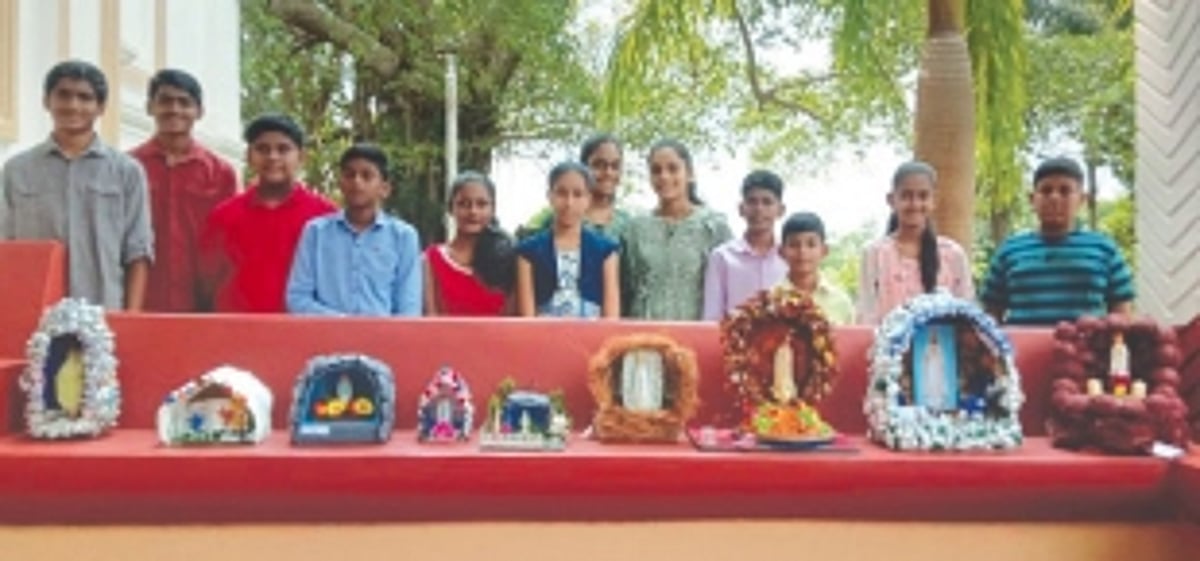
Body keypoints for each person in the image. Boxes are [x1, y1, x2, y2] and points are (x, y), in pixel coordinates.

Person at [0, 60, 153, 310]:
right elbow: (5, 247)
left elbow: (138, 251)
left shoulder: (127, 172)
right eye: (63, 95)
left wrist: (131, 317)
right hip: (35, 311)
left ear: (100, 107)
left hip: (103, 312)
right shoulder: (17, 170)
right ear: (46, 101)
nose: (73, 105)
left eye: (85, 97)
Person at [200, 113, 336, 313]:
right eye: (263, 149)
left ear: (301, 156)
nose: (273, 157)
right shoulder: (223, 216)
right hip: (236, 334)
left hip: (302, 334)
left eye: (283, 149)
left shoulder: (326, 217)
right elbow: (207, 283)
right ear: (248, 156)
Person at [130, 69, 238, 312]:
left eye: (184, 102)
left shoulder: (220, 173)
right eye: (165, 101)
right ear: (150, 107)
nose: (174, 109)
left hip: (201, 300)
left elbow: (229, 244)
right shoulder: (128, 168)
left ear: (199, 112)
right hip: (144, 298)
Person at [980, 157, 1135, 325]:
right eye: (1046, 191)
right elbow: (991, 314)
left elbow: (1121, 315)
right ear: (1032, 199)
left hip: (1084, 349)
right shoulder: (1009, 251)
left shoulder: (1104, 250)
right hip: (1022, 349)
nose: (1054, 198)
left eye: (1065, 191)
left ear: (1082, 199)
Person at [286, 143, 421, 316]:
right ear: (340, 183)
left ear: (384, 188)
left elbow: (409, 307)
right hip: (325, 339)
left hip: (384, 340)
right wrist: (346, 326)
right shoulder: (315, 232)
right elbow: (298, 298)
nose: (357, 181)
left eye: (367, 176)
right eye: (350, 175)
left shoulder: (404, 236)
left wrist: (379, 335)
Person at [621, 139, 732, 320]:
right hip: (645, 336)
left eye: (673, 168)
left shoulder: (713, 227)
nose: (664, 176)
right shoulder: (635, 230)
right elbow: (626, 290)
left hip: (695, 337)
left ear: (689, 174)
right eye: (656, 170)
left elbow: (726, 289)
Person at [855, 161, 974, 324]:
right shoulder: (875, 254)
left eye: (923, 196)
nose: (915, 204)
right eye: (906, 196)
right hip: (887, 347)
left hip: (943, 347)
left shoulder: (953, 254)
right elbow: (866, 314)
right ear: (891, 200)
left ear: (934, 200)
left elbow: (967, 312)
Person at [515, 162, 620, 318]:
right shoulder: (528, 252)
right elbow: (527, 318)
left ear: (588, 199)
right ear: (550, 196)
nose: (569, 203)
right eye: (561, 193)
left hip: (592, 338)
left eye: (577, 194)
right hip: (544, 337)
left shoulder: (606, 251)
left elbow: (611, 317)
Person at [423, 171, 514, 316]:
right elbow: (430, 319)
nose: (473, 211)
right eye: (464, 204)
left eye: (482, 204)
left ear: (493, 209)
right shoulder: (431, 259)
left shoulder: (508, 259)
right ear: (450, 208)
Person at [702, 169, 789, 320]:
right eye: (752, 201)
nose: (759, 209)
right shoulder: (722, 257)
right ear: (741, 209)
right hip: (732, 341)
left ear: (780, 210)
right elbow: (712, 316)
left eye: (767, 202)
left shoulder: (789, 257)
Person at [519, 133, 631, 242]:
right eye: (599, 165)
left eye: (615, 166)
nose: (608, 173)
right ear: (584, 167)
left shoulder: (629, 225)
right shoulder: (559, 219)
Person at [775, 212, 854, 325]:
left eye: (811, 244)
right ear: (781, 252)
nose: (802, 251)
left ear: (824, 250)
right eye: (794, 244)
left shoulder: (841, 302)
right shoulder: (770, 302)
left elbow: (850, 340)